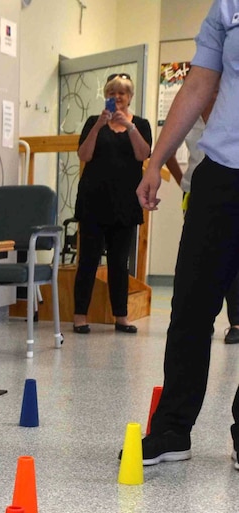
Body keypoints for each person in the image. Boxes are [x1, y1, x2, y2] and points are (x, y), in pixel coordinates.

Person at [133, 0, 239, 467]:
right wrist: (156, 161)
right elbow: (198, 84)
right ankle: (173, 428)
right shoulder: (228, 7)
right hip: (220, 168)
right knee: (191, 305)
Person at [72, 73, 153, 335]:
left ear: (129, 97)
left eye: (122, 93)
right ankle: (80, 316)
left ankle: (121, 316)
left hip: (125, 203)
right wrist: (99, 126)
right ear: (106, 96)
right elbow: (84, 154)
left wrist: (128, 127)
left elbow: (143, 154)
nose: (117, 97)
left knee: (120, 263)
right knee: (88, 260)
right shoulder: (93, 122)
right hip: (93, 202)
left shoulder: (140, 124)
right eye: (112, 93)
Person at [165, 89, 239, 344]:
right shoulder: (191, 110)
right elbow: (168, 149)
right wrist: (182, 181)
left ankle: (236, 321)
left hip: (231, 186)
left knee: (234, 262)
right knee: (198, 261)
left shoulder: (230, 107)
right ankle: (199, 321)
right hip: (197, 192)